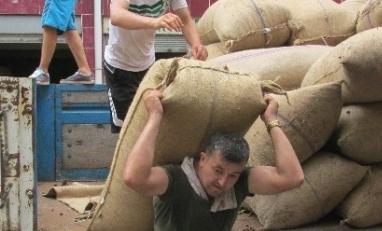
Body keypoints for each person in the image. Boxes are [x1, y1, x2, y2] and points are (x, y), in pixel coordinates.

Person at [123, 90, 304, 231]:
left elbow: (292, 177)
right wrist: (155, 116)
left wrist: (271, 121)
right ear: (202, 159)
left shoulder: (240, 183)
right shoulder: (176, 179)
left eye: (233, 175)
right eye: (218, 170)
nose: (224, 182)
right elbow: (134, 178)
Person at [104, 0, 207, 133]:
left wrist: (197, 44)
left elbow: (186, 20)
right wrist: (154, 22)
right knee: (128, 132)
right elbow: (116, 15)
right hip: (120, 67)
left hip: (148, 65)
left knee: (152, 127)